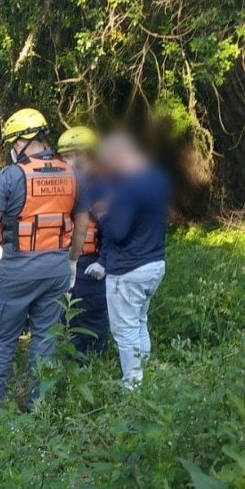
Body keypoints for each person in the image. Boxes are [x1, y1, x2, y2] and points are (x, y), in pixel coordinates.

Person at [0, 108, 90, 413]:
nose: (11, 149)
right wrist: (72, 261)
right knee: (45, 340)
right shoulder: (73, 175)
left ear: (23, 140)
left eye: (12, 142)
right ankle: (39, 407)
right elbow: (83, 225)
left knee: (1, 337)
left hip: (18, 271)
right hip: (57, 270)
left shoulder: (11, 176)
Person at [95, 133, 170, 390]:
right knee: (139, 322)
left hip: (128, 269)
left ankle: (133, 389)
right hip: (154, 263)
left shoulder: (128, 186)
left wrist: (102, 215)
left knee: (125, 332)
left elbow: (118, 231)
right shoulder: (155, 180)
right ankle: (145, 377)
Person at [57, 126, 110, 356]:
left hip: (91, 263)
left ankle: (90, 366)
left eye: (68, 155)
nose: (64, 161)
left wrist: (105, 262)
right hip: (70, 261)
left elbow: (112, 228)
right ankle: (73, 364)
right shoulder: (72, 184)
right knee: (68, 316)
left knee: (91, 318)